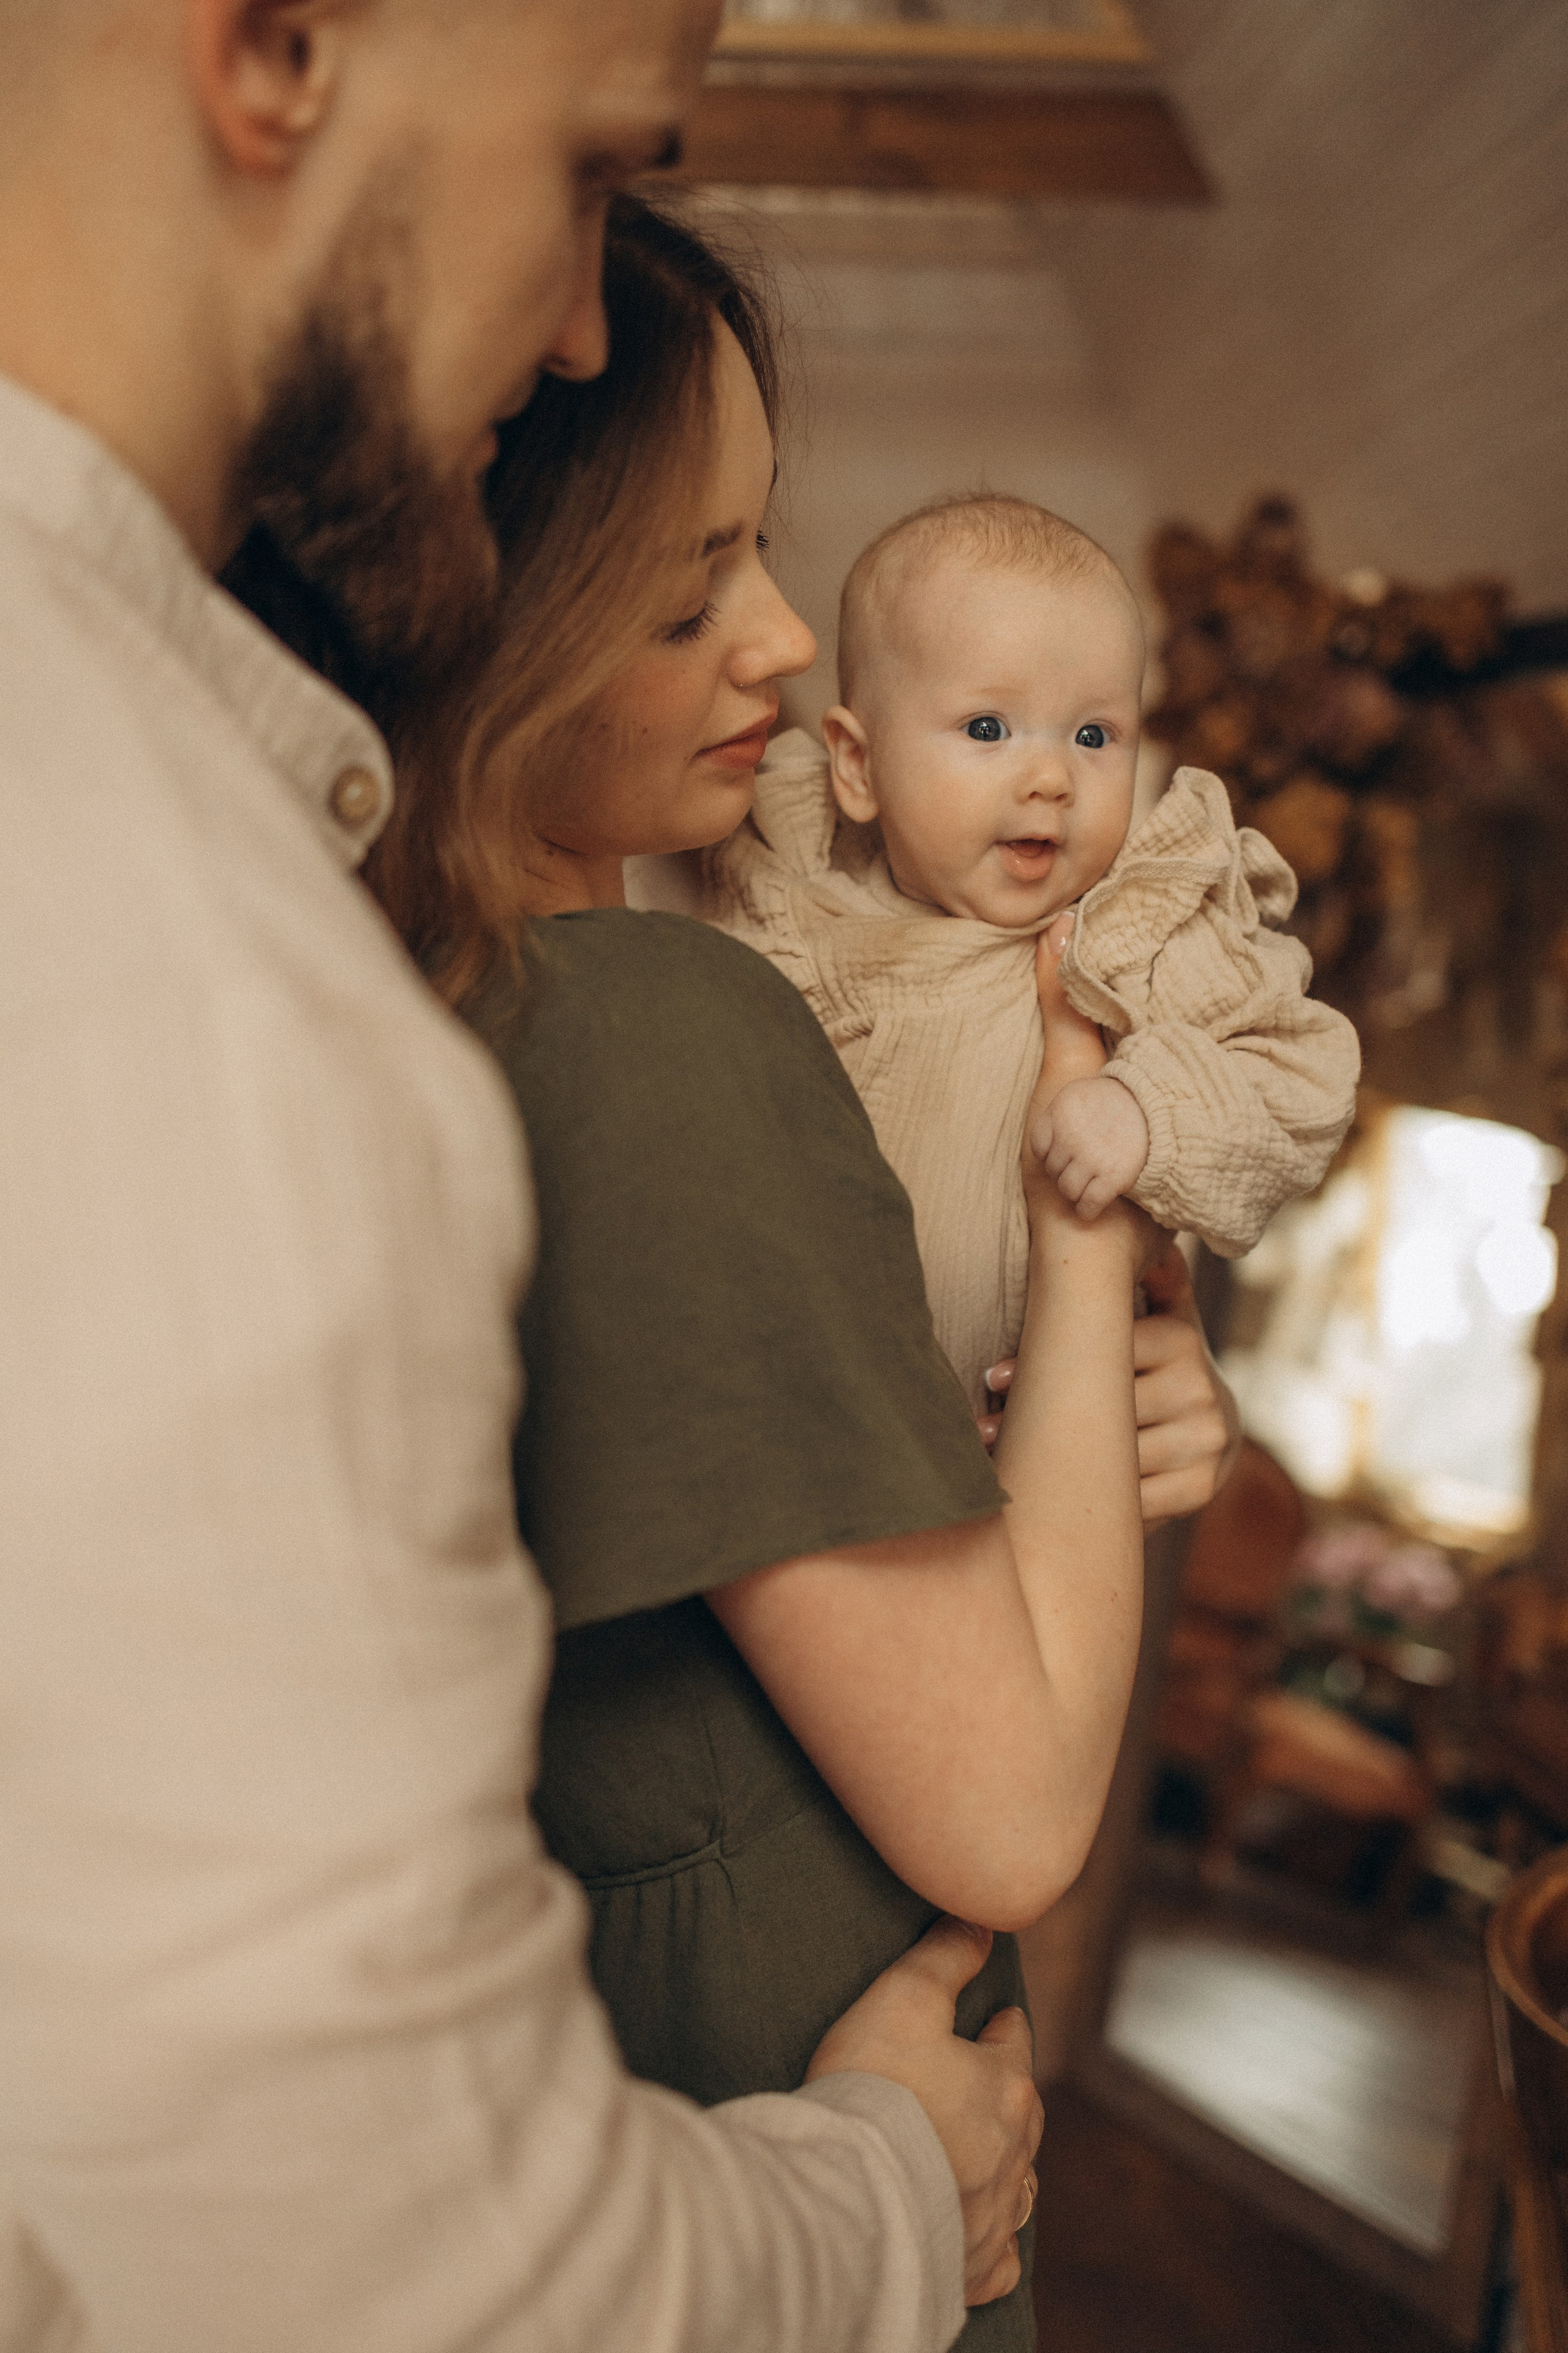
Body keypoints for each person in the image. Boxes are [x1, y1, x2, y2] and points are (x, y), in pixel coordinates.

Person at [0, 10, 1047, 2352]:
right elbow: (394, 2271)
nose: (584, 318)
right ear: (274, 48)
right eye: (588, 166)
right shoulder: (170, 962)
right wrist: (891, 2190)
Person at [295, 200, 1241, 2353]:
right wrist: (1090, 1200)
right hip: (770, 2185)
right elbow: (1008, 1805)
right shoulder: (642, 1027)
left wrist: (1078, 1405)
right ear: (493, 594)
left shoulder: (400, 1020)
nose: (790, 639)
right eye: (695, 576)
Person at [703, 493, 1362, 1408]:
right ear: (856, 767)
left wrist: (1145, 1112)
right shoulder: (793, 886)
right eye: (987, 729)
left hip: (1020, 1437)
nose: (1052, 778)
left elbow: (1300, 1076)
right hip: (797, 1416)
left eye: (1095, 736)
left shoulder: (1141, 926)